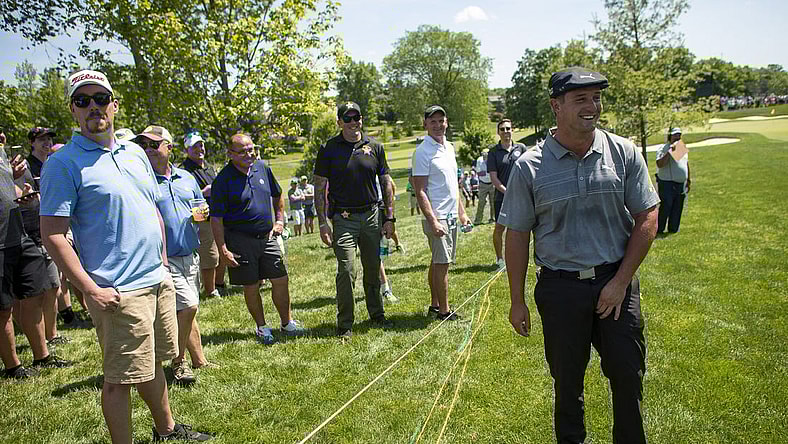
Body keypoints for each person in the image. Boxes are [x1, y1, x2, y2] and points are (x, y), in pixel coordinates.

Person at [40, 69, 212, 442]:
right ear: (72, 110)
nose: (93, 107)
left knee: (152, 364)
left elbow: (152, 208)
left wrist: (164, 263)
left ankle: (167, 430)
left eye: (100, 99)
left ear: (114, 106)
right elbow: (52, 235)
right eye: (83, 101)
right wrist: (89, 289)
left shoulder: (134, 152)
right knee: (119, 380)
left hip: (157, 279)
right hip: (117, 290)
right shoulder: (63, 163)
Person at [500, 67, 659, 444]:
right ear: (556, 106)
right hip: (560, 289)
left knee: (627, 373)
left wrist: (620, 282)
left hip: (615, 284)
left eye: (597, 98)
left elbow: (647, 214)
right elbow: (518, 235)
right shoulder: (529, 167)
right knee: (567, 383)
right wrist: (517, 300)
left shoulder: (622, 152)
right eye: (581, 99)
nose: (593, 107)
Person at [210, 133, 305, 345]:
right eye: (242, 151)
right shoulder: (223, 181)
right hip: (240, 241)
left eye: (251, 149)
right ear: (230, 154)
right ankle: (262, 327)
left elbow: (277, 194)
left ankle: (287, 322)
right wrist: (223, 249)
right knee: (251, 286)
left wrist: (279, 220)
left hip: (268, 237)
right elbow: (216, 219)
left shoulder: (262, 168)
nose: (249, 154)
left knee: (281, 279)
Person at [135, 125, 211, 386]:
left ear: (169, 147)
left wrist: (202, 217)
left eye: (154, 144)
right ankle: (178, 363)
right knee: (188, 306)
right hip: (164, 260)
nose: (148, 150)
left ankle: (198, 359)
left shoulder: (187, 178)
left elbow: (201, 211)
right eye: (143, 145)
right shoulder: (142, 181)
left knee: (187, 311)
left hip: (190, 255)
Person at [313, 101, 395, 339]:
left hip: (371, 216)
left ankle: (377, 315)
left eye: (356, 117)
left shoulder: (375, 147)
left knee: (372, 267)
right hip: (343, 219)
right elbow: (319, 188)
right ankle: (345, 324)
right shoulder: (328, 148)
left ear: (361, 119)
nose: (352, 122)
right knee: (347, 269)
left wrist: (389, 217)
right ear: (339, 122)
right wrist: (321, 222)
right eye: (347, 118)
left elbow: (386, 183)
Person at [1, 131, 72, 379]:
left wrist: (20, 189)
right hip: (3, 240)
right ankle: (13, 366)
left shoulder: (7, 161)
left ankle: (42, 355)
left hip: (21, 232)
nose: (2, 135)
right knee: (4, 307)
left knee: (36, 293)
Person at [410, 105, 471, 321]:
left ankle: (435, 305)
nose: (438, 125)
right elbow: (420, 191)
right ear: (425, 124)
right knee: (443, 263)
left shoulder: (450, 148)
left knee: (438, 261)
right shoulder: (422, 152)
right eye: (432, 121)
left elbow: (452, 184)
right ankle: (444, 312)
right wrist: (433, 220)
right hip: (438, 217)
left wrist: (462, 212)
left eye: (441, 121)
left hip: (452, 215)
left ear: (446, 123)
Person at [21, 127, 78, 340]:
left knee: (55, 283)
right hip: (35, 231)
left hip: (59, 226)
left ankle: (52, 334)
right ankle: (47, 335)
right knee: (46, 286)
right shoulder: (25, 167)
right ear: (31, 143)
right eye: (41, 139)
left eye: (49, 139)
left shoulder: (53, 163)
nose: (46, 142)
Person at [180, 131, 228, 298]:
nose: (199, 149)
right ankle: (210, 290)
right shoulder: (184, 171)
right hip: (201, 217)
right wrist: (204, 191)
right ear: (187, 149)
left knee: (222, 250)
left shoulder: (208, 167)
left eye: (201, 145)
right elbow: (185, 197)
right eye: (195, 146)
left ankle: (220, 283)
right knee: (209, 254)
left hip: (217, 214)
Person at [487, 119, 526, 270]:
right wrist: (507, 192)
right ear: (498, 132)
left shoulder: (521, 148)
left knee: (520, 228)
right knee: (499, 229)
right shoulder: (493, 152)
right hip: (501, 197)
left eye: (508, 128)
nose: (505, 132)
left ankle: (518, 258)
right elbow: (494, 178)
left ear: (512, 130)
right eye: (502, 129)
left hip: (521, 196)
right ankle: (500, 259)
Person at [655, 127, 691, 235]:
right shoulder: (663, 148)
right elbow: (660, 164)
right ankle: (659, 229)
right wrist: (670, 151)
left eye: (679, 135)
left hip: (680, 183)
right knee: (666, 205)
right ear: (670, 136)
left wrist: (688, 179)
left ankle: (673, 228)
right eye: (675, 135)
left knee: (678, 206)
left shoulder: (681, 147)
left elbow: (685, 164)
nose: (677, 137)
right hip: (666, 182)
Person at [473, 148, 495, 225]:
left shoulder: (493, 159)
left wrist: (487, 172)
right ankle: (478, 220)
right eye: (484, 155)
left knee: (493, 202)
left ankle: (493, 219)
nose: (486, 156)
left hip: (492, 183)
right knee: (481, 202)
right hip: (483, 184)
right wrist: (489, 172)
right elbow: (479, 173)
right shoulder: (479, 160)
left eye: (487, 155)